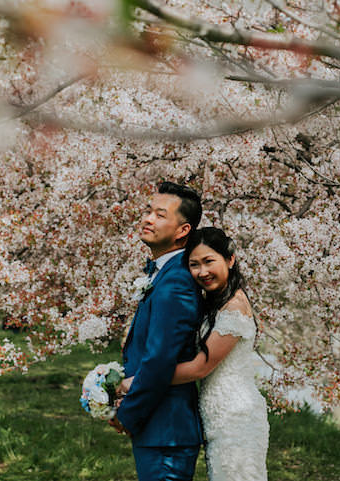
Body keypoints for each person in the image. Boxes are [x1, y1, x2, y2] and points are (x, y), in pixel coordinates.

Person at [112, 182, 205, 481]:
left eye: (160, 215)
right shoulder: (162, 273)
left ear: (182, 231)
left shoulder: (176, 280)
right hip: (159, 429)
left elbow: (161, 357)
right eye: (148, 211)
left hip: (167, 433)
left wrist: (128, 413)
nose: (148, 219)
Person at [172, 227, 270, 481]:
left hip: (237, 419)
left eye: (208, 261)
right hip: (218, 417)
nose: (202, 272)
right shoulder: (215, 303)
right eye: (194, 264)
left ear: (230, 259)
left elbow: (199, 368)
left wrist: (141, 380)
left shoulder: (234, 307)